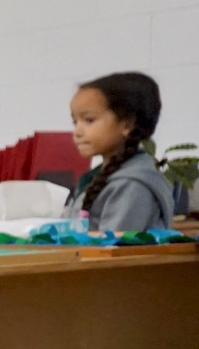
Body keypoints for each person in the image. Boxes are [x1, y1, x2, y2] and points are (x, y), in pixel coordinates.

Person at [64, 71, 174, 232]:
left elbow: (112, 248)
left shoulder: (131, 184)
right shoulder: (98, 177)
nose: (77, 132)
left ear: (127, 125)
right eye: (75, 122)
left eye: (89, 120)